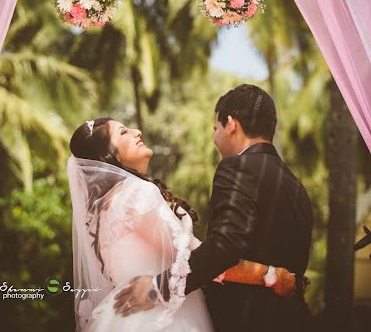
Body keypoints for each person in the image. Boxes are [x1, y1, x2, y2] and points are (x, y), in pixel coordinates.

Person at [68, 114, 299, 331]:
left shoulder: (100, 214)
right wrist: (271, 276)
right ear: (105, 157)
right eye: (124, 132)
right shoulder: (137, 194)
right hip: (162, 318)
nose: (137, 132)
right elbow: (201, 260)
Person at [115, 84, 314, 331]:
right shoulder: (296, 186)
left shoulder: (237, 167)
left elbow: (223, 249)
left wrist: (158, 288)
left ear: (231, 124)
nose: (215, 138)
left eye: (216, 128)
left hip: (248, 321)